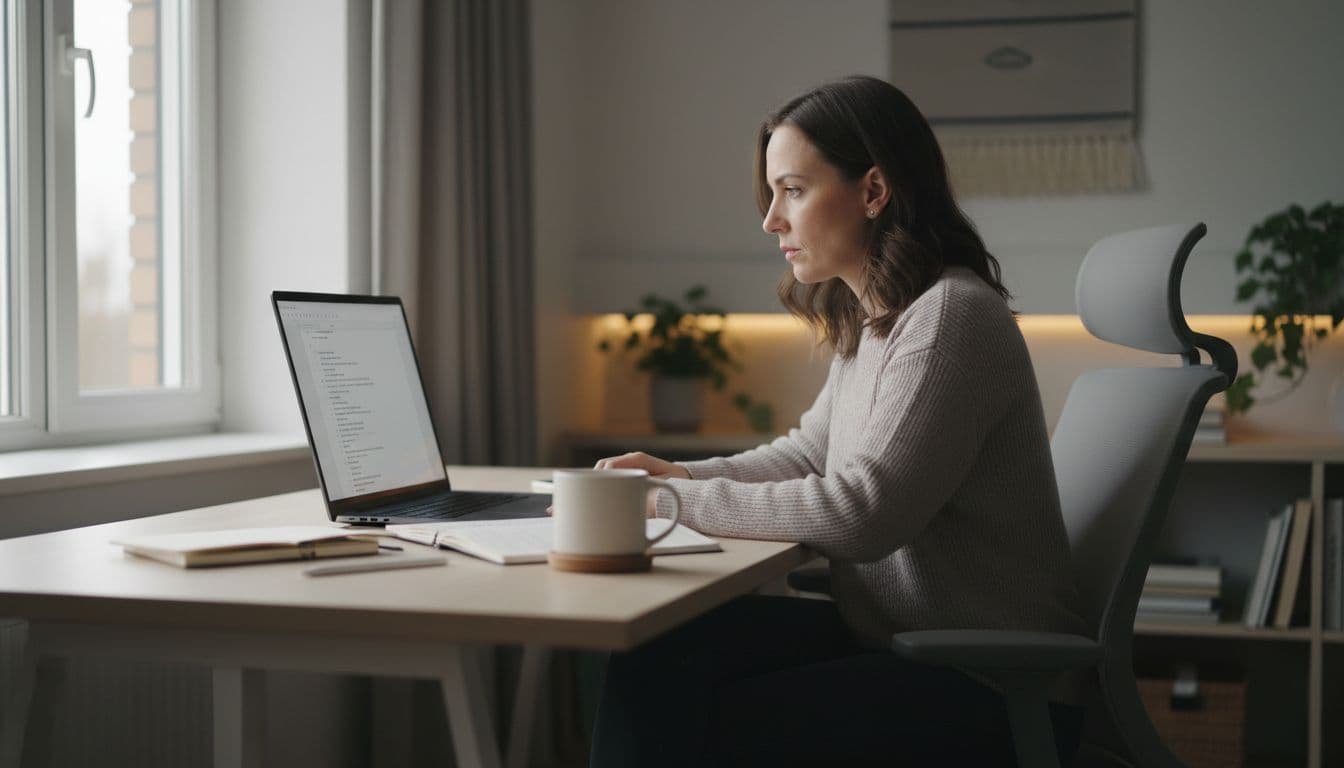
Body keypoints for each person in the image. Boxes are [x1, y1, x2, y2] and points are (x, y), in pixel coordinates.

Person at [587, 75, 1089, 767]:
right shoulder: (877, 318)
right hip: (903, 644)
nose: (771, 220)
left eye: (792, 190)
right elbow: (806, 455)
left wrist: (675, 501)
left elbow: (863, 512)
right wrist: (678, 474)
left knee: (702, 722)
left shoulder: (948, 318)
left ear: (873, 192)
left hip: (990, 684)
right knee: (655, 656)